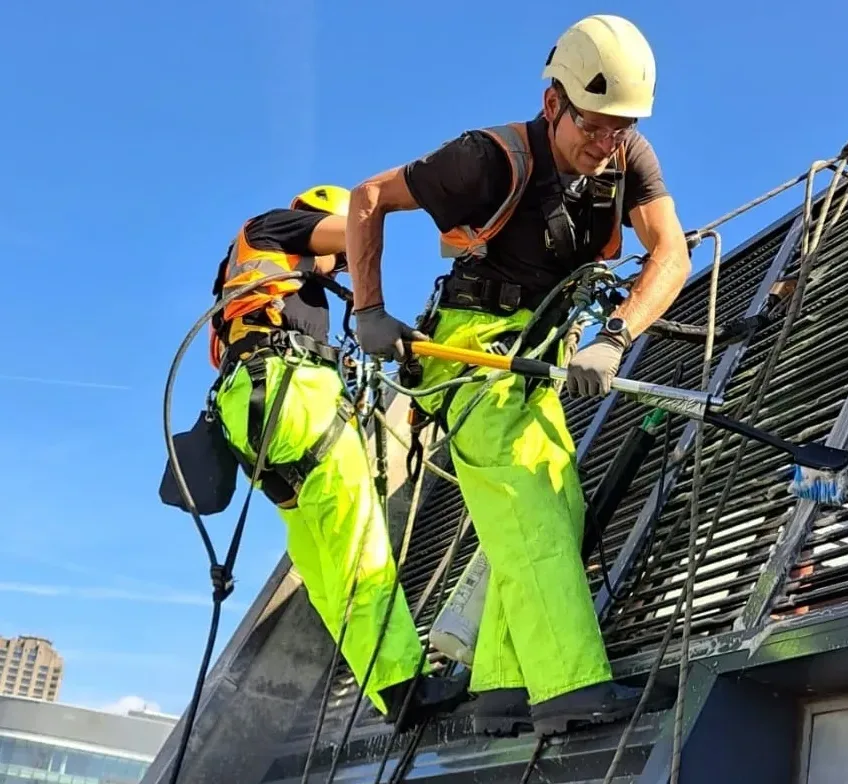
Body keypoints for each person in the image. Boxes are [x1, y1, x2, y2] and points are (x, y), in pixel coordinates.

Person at [345, 15, 691, 738]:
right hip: (471, 352)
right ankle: (570, 687)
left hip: (543, 351)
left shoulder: (629, 154)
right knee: (530, 507)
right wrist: (369, 311)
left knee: (558, 507)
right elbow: (369, 198)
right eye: (593, 127)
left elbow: (672, 254)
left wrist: (617, 335)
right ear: (553, 103)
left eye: (618, 131)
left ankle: (503, 685)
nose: (606, 146)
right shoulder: (487, 159)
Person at [207, 185, 469, 728]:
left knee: (323, 563)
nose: (346, 267)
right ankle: (403, 683)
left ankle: (389, 689)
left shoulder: (265, 285)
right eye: (342, 258)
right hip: (291, 391)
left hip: (248, 411)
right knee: (360, 541)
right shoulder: (276, 226)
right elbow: (357, 228)